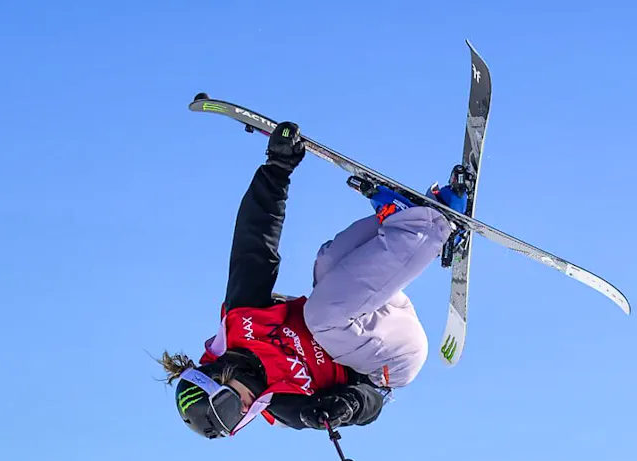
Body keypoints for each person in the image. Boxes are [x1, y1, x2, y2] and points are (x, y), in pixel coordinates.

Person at [162, 121, 469, 439]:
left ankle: (418, 220)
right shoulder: (285, 406)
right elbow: (372, 400)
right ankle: (431, 227)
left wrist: (277, 168)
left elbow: (253, 246)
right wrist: (349, 405)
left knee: (328, 264)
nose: (242, 410)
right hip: (390, 360)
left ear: (216, 376)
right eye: (233, 422)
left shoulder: (243, 323)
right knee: (321, 314)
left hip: (373, 318)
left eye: (227, 406)